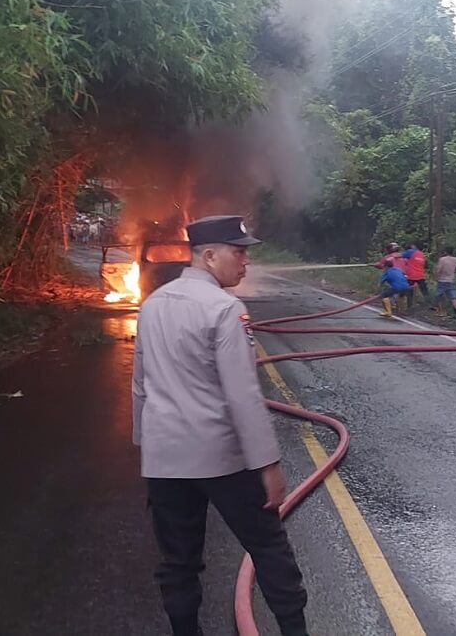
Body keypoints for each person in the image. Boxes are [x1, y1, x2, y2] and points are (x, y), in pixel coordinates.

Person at [132, 215, 308, 636]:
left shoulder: (152, 304)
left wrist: (145, 445)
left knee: (178, 563)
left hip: (165, 462)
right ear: (209, 257)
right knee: (269, 548)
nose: (246, 262)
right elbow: (243, 394)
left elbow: (140, 384)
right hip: (222, 459)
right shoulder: (225, 309)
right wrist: (268, 465)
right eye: (239, 252)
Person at [433, 245, 456, 318]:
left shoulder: (442, 259)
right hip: (451, 280)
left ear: (445, 252)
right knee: (453, 297)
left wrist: (436, 277)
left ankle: (440, 312)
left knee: (439, 296)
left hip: (442, 280)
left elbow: (439, 269)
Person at [400, 242, 429, 309]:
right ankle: (429, 305)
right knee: (425, 291)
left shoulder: (411, 252)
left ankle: (409, 307)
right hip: (420, 275)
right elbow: (426, 265)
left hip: (411, 275)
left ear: (414, 246)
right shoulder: (422, 254)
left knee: (409, 292)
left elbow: (399, 255)